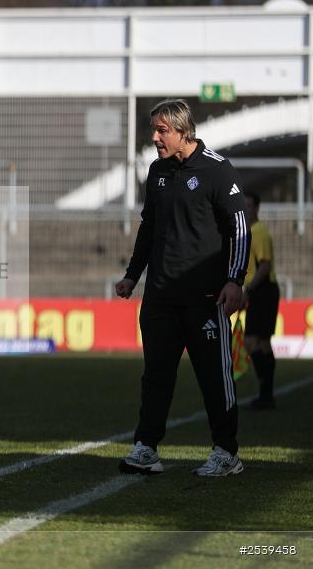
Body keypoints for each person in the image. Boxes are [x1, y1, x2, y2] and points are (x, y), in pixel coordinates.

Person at [115, 99, 249, 477]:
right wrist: (132, 275)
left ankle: (226, 452)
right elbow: (149, 227)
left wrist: (234, 280)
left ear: (183, 131)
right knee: (156, 376)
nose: (155, 138)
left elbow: (240, 228)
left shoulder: (217, 170)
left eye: (162, 131)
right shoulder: (157, 171)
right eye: (154, 130)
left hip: (205, 298)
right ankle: (146, 447)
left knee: (214, 377)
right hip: (159, 296)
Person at [241, 191, 280, 410]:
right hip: (261, 290)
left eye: (249, 206)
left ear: (256, 208)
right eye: (243, 206)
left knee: (251, 342)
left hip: (263, 291)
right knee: (263, 343)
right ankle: (267, 396)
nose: (246, 210)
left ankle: (266, 394)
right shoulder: (250, 232)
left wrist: (249, 289)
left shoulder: (259, 232)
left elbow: (265, 265)